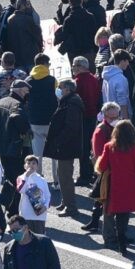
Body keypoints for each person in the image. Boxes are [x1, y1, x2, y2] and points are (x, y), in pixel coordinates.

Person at [95, 119, 135, 255]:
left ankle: (113, 239)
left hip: (113, 184)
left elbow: (101, 166)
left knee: (110, 212)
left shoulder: (109, 146)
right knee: (125, 213)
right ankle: (122, 237)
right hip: (130, 185)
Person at [44, 78, 83, 216]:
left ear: (67, 89)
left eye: (60, 87)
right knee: (62, 175)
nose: (58, 89)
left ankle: (71, 207)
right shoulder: (68, 101)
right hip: (65, 145)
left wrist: (59, 141)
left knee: (65, 177)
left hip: (67, 146)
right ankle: (66, 202)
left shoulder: (72, 103)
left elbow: (71, 127)